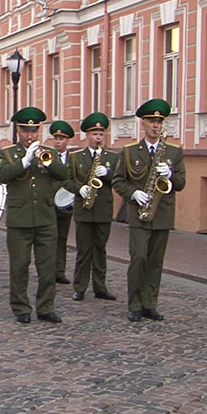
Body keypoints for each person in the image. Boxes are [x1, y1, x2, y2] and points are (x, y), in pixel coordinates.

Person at [112, 99, 186, 322]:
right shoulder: (129, 152)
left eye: (159, 122)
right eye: (152, 121)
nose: (156, 126)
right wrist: (133, 194)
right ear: (143, 123)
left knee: (155, 261)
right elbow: (118, 180)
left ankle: (149, 303)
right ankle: (134, 304)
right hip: (139, 214)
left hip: (162, 214)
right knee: (138, 259)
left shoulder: (174, 152)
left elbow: (181, 183)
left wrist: (170, 175)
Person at [0, 107, 68, 324]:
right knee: (19, 266)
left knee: (47, 267)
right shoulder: (8, 154)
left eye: (34, 130)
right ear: (18, 130)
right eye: (26, 131)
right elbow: (3, 175)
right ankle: (21, 307)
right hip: (20, 220)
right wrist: (25, 161)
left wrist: (50, 161)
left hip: (46, 218)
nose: (30, 135)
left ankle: (46, 307)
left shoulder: (50, 152)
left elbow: (64, 175)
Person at [68, 112, 119, 302]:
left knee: (100, 250)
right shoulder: (76, 157)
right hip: (84, 209)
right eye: (94, 134)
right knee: (83, 250)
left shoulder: (112, 158)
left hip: (103, 209)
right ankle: (79, 287)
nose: (98, 138)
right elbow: (67, 181)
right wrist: (79, 188)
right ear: (87, 136)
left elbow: (119, 181)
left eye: (101, 134)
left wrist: (107, 173)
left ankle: (100, 287)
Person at [49, 120, 76, 285]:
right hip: (50, 204)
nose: (58, 141)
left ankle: (60, 271)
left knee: (62, 239)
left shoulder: (73, 159)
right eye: (56, 138)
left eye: (61, 139)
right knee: (49, 238)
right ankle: (49, 270)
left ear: (67, 141)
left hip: (66, 204)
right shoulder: (49, 156)